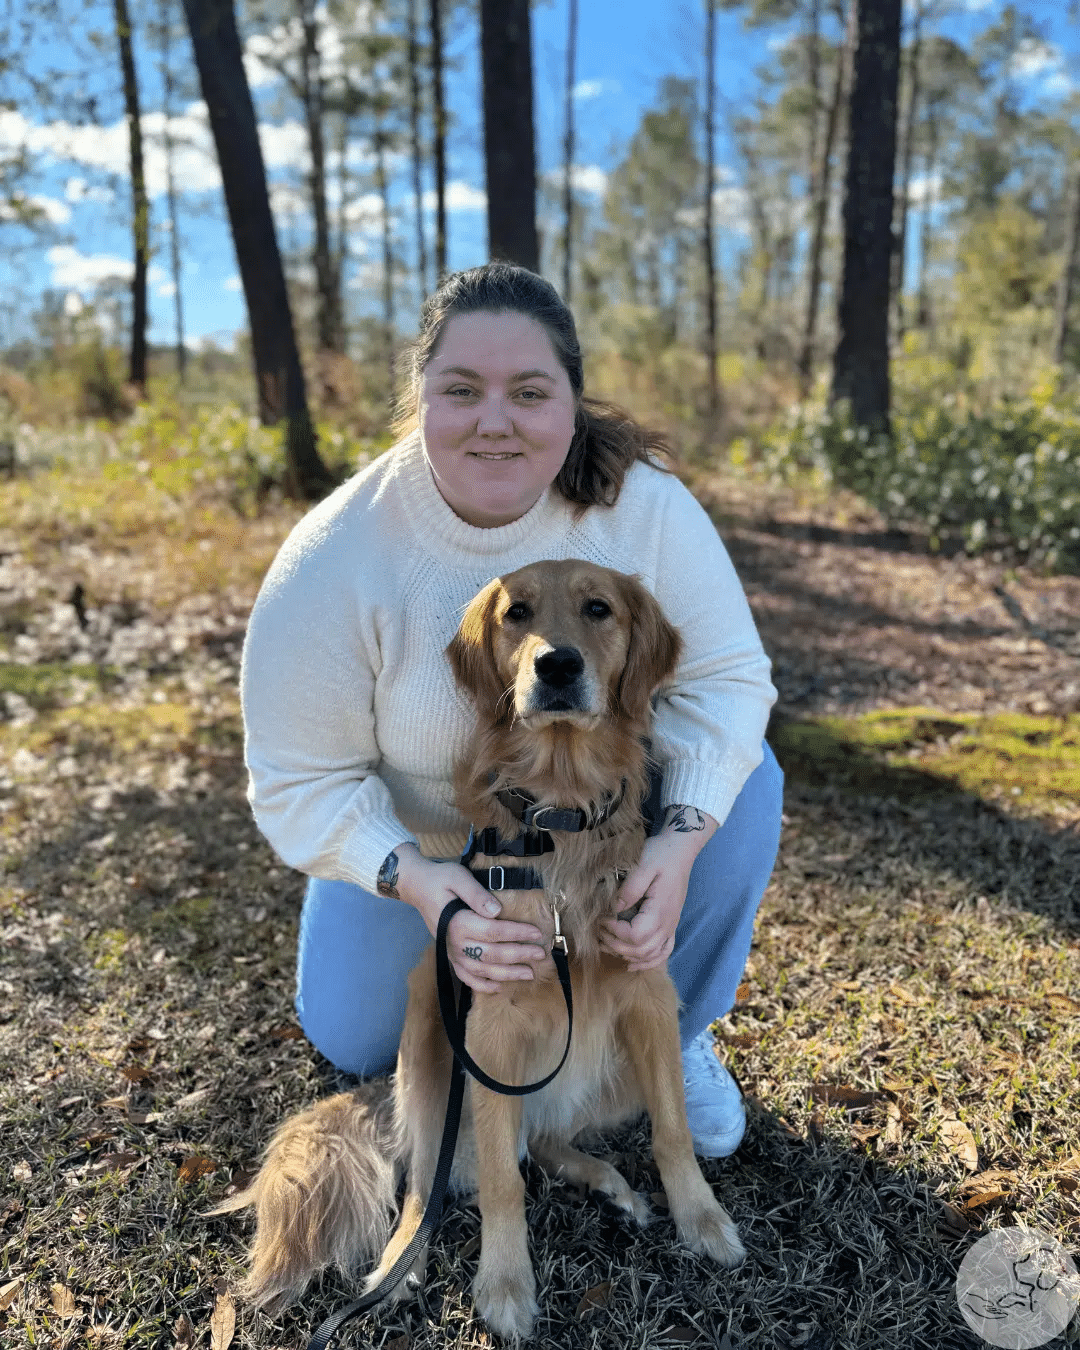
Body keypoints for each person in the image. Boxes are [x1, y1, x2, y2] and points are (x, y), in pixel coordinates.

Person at [240, 262, 783, 1158]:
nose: (495, 420)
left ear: (571, 402)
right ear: (420, 399)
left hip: (606, 829)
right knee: (356, 1042)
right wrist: (417, 883)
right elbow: (297, 779)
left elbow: (728, 684)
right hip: (430, 847)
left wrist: (678, 846)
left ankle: (668, 1028)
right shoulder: (337, 553)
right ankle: (427, 939)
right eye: (462, 390)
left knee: (748, 778)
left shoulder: (642, 508)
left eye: (529, 392)